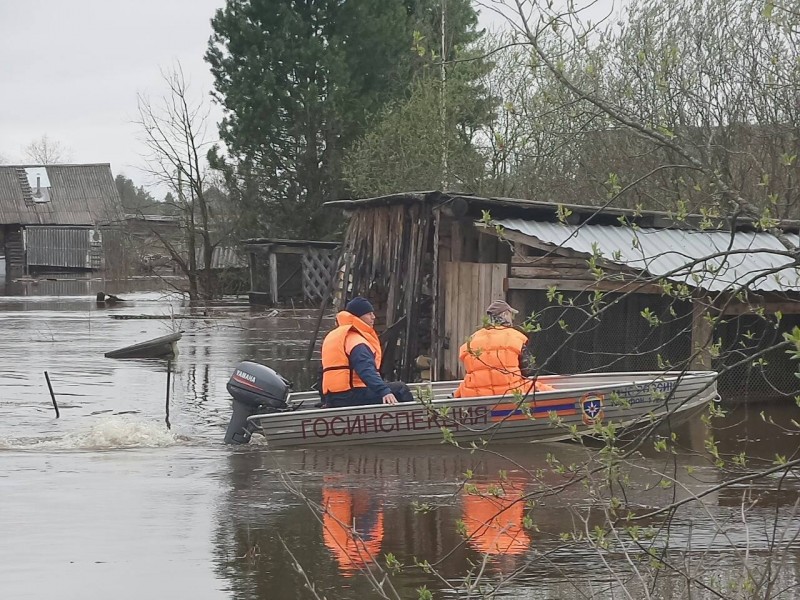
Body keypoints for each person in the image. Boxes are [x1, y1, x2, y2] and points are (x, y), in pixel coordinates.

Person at [321, 296, 413, 407]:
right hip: (350, 395)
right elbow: (366, 370)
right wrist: (384, 391)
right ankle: (416, 419)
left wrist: (324, 399)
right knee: (401, 388)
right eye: (369, 314)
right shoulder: (356, 340)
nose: (373, 317)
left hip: (333, 396)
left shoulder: (334, 335)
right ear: (358, 317)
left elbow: (321, 372)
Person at [453, 299, 553, 398]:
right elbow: (528, 369)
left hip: (475, 395)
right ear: (505, 315)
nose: (512, 319)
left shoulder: (472, 339)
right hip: (510, 392)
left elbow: (470, 372)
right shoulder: (515, 337)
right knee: (548, 391)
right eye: (511, 315)